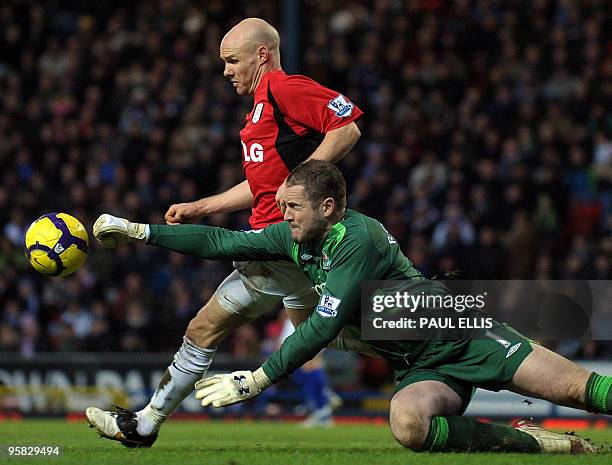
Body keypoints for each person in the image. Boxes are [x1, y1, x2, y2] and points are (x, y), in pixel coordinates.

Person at [92, 160, 609, 453]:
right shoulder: (296, 237)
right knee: (409, 426)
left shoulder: (357, 239)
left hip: (458, 328)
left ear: (329, 207)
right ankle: (542, 445)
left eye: (293, 207)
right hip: (417, 361)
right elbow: (222, 244)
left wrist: (255, 379)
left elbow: (323, 326)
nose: (284, 215)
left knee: (583, 391)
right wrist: (141, 232)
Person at [85, 18, 362, 446]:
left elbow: (346, 127)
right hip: (289, 250)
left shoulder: (284, 89)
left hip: (279, 244)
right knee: (333, 334)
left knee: (204, 329)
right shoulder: (260, 108)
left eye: (233, 60)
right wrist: (203, 205)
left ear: (262, 55)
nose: (226, 70)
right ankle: (435, 343)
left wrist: (303, 183)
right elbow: (262, 186)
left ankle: (145, 423)